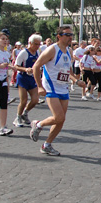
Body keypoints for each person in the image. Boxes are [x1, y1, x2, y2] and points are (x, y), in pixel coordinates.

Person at [29, 26, 85, 155]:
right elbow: (36, 66)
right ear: (59, 36)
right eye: (67, 35)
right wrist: (39, 86)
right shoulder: (51, 50)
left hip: (63, 87)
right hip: (51, 86)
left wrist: (76, 81)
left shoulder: (69, 50)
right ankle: (38, 124)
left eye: (71, 35)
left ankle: (46, 145)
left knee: (61, 119)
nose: (70, 37)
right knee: (58, 116)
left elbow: (68, 71)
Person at [12, 34, 42, 127]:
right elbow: (16, 66)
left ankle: (25, 112)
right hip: (23, 78)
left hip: (32, 78)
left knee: (35, 100)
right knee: (23, 100)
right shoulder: (24, 53)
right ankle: (18, 117)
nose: (37, 46)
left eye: (38, 44)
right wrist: (25, 69)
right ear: (30, 43)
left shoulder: (38, 53)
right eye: (35, 44)